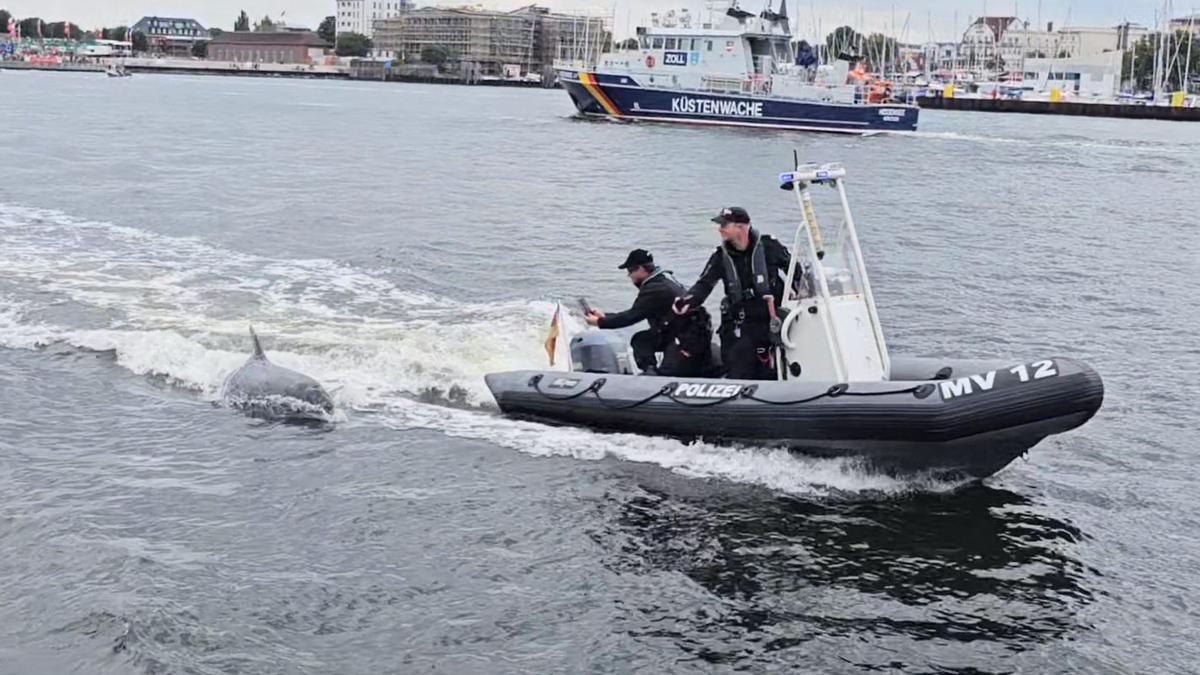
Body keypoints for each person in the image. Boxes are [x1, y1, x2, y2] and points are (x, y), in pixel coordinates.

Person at [673, 207, 794, 380]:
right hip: (744, 323)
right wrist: (686, 301)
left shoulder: (769, 247)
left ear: (740, 227)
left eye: (724, 224)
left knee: (776, 367)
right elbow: (704, 284)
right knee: (739, 365)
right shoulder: (721, 257)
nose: (719, 229)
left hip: (774, 319)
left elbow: (794, 271)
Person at [586, 248, 712, 376]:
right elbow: (637, 311)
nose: (628, 275)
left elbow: (631, 316)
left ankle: (654, 375)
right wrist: (605, 316)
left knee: (664, 366)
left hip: (685, 338)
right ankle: (650, 370)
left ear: (641, 269)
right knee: (642, 340)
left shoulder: (656, 289)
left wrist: (601, 322)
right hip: (675, 332)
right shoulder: (661, 281)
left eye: (630, 271)